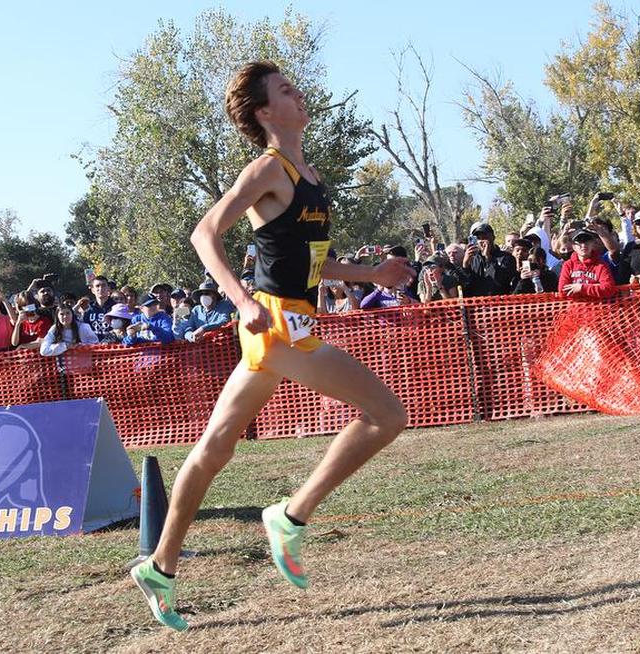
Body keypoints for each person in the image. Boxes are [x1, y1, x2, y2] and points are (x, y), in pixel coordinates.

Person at [130, 61, 413, 632]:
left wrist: (371, 274)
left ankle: (159, 566)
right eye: (285, 90)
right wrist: (240, 298)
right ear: (264, 112)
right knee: (385, 413)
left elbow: (310, 265)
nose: (298, 93)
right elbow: (204, 233)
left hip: (289, 322)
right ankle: (290, 515)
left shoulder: (307, 174)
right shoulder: (268, 168)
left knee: (214, 449)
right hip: (277, 327)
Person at [558, 228, 618, 299]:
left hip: (599, 307)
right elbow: (562, 291)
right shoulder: (568, 265)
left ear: (592, 244)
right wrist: (596, 287)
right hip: (575, 308)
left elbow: (609, 289)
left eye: (587, 241)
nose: (583, 245)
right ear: (573, 246)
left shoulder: (601, 265)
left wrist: (582, 288)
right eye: (579, 242)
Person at [461, 221, 517, 297]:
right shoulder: (473, 258)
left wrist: (488, 259)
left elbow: (500, 282)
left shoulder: (507, 257)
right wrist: (465, 265)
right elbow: (466, 284)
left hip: (498, 303)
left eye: (485, 238)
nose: (482, 241)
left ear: (493, 238)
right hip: (477, 304)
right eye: (478, 238)